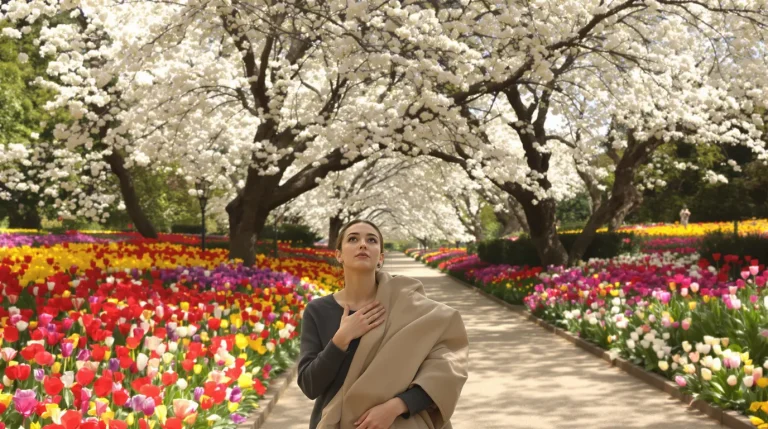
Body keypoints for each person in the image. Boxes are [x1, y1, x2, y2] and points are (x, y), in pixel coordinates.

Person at [297, 219, 469, 429]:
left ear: (380, 257)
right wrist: (341, 339)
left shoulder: (407, 305)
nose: (363, 244)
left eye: (371, 240)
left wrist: (397, 406)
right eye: (353, 239)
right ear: (338, 255)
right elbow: (309, 386)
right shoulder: (318, 311)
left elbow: (446, 369)